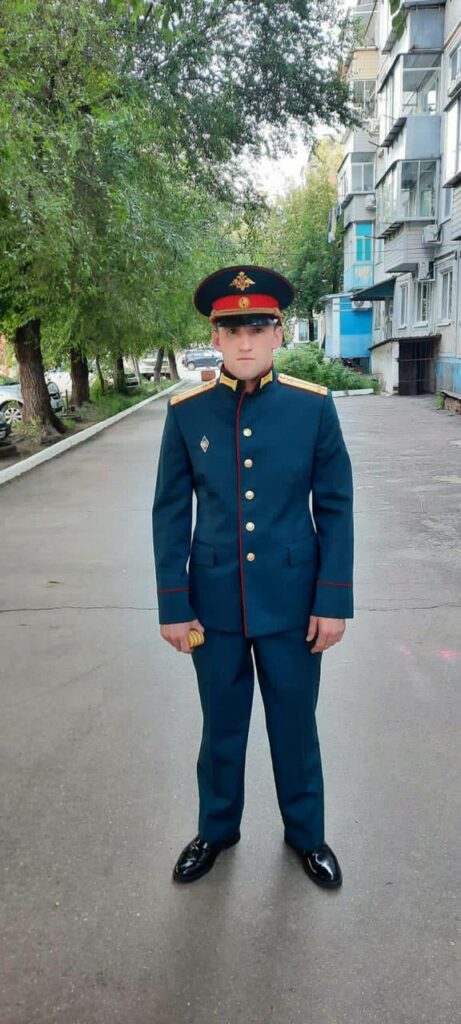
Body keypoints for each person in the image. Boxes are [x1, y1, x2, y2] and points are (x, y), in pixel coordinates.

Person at [152, 265, 354, 887]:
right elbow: (170, 511)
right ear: (215, 336)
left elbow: (335, 505)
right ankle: (216, 830)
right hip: (213, 607)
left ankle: (307, 835)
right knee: (221, 725)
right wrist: (174, 605)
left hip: (293, 605)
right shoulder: (187, 413)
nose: (245, 342)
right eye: (232, 330)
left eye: (258, 328)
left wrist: (333, 600)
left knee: (295, 725)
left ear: (278, 332)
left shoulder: (311, 408)